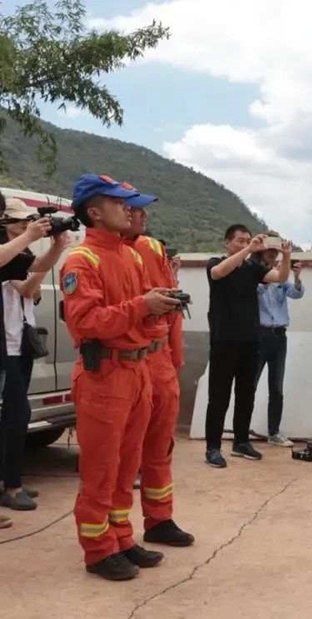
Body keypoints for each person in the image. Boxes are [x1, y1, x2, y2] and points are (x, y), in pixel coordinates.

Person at [61, 174, 182, 581]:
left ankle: (122, 538)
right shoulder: (81, 261)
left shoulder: (129, 255)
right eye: (119, 203)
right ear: (94, 212)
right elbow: (88, 323)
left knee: (127, 462)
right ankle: (97, 550)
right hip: (105, 375)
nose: (129, 209)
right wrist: (141, 306)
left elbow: (140, 315)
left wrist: (160, 309)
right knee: (101, 467)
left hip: (138, 371)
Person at [121, 184, 194, 547]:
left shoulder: (152, 248)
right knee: (123, 452)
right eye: (134, 209)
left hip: (159, 359)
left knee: (160, 446)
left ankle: (160, 519)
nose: (142, 215)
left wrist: (174, 358)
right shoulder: (98, 255)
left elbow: (174, 309)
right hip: (126, 361)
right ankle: (115, 536)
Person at [0, 199, 68, 513]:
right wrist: (29, 236)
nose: (26, 224)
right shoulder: (9, 247)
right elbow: (28, 288)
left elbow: (34, 273)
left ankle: (10, 480)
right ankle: (11, 487)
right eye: (21, 220)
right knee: (16, 415)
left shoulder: (18, 250)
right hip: (7, 347)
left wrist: (57, 245)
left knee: (16, 416)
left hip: (19, 343)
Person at [204, 225, 290, 468]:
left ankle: (241, 442)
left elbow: (280, 278)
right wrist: (249, 250)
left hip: (251, 339)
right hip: (224, 339)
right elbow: (219, 273)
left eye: (248, 241)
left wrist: (287, 256)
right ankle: (213, 447)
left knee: (246, 394)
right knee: (219, 396)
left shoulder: (253, 268)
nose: (244, 244)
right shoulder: (215, 262)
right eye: (240, 241)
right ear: (227, 242)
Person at [255, 236, 304, 447]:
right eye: (270, 251)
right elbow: (255, 292)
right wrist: (269, 277)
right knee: (251, 384)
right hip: (259, 335)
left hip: (279, 336)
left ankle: (274, 432)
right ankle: (241, 429)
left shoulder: (281, 278)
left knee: (277, 386)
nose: (273, 255)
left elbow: (296, 293)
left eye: (276, 252)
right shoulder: (252, 272)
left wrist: (296, 275)